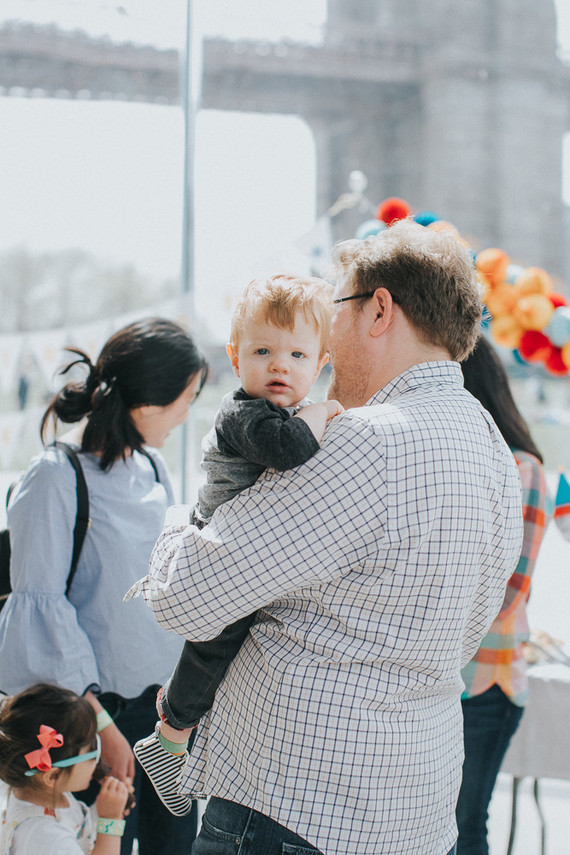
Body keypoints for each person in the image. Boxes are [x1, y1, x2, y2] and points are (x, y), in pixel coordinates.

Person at [135, 220, 524, 855]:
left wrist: (188, 514)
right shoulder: (490, 447)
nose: (322, 339)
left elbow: (185, 594)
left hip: (295, 807)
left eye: (332, 309)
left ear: (378, 309)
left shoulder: (367, 440)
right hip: (416, 809)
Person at [130, 275, 342, 810]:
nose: (279, 365)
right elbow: (288, 449)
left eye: (297, 353)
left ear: (319, 364)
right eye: (263, 350)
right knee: (216, 644)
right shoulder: (244, 413)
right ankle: (170, 732)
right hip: (216, 548)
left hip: (245, 554)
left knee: (229, 649)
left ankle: (183, 734)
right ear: (235, 357)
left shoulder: (284, 409)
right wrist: (321, 412)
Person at [0, 318, 207, 855]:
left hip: (164, 713)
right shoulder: (54, 476)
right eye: (185, 399)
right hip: (94, 722)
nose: (187, 415)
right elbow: (41, 617)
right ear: (147, 400)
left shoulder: (154, 466)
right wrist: (105, 729)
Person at [456, 336, 548, 855]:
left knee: (464, 826)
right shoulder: (452, 460)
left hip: (484, 684)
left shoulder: (523, 469)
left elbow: (509, 589)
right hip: (443, 679)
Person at [0, 683, 131, 854]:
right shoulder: (45, 837)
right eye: (91, 749)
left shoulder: (49, 794)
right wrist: (110, 821)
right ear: (52, 776)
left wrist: (107, 808)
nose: (98, 757)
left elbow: (78, 830)